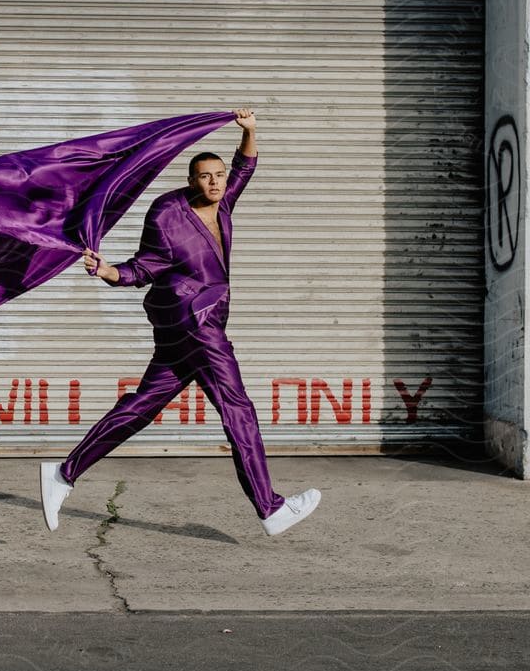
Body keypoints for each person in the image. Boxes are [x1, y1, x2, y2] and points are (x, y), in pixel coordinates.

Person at [39, 108, 321, 536]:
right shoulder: (167, 213)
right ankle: (270, 507)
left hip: (184, 328)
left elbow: (246, 165)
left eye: (219, 175)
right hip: (195, 322)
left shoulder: (224, 200)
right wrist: (108, 271)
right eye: (205, 176)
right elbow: (146, 266)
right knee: (237, 408)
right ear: (191, 179)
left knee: (141, 406)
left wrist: (250, 131)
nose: (215, 181)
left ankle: (63, 473)